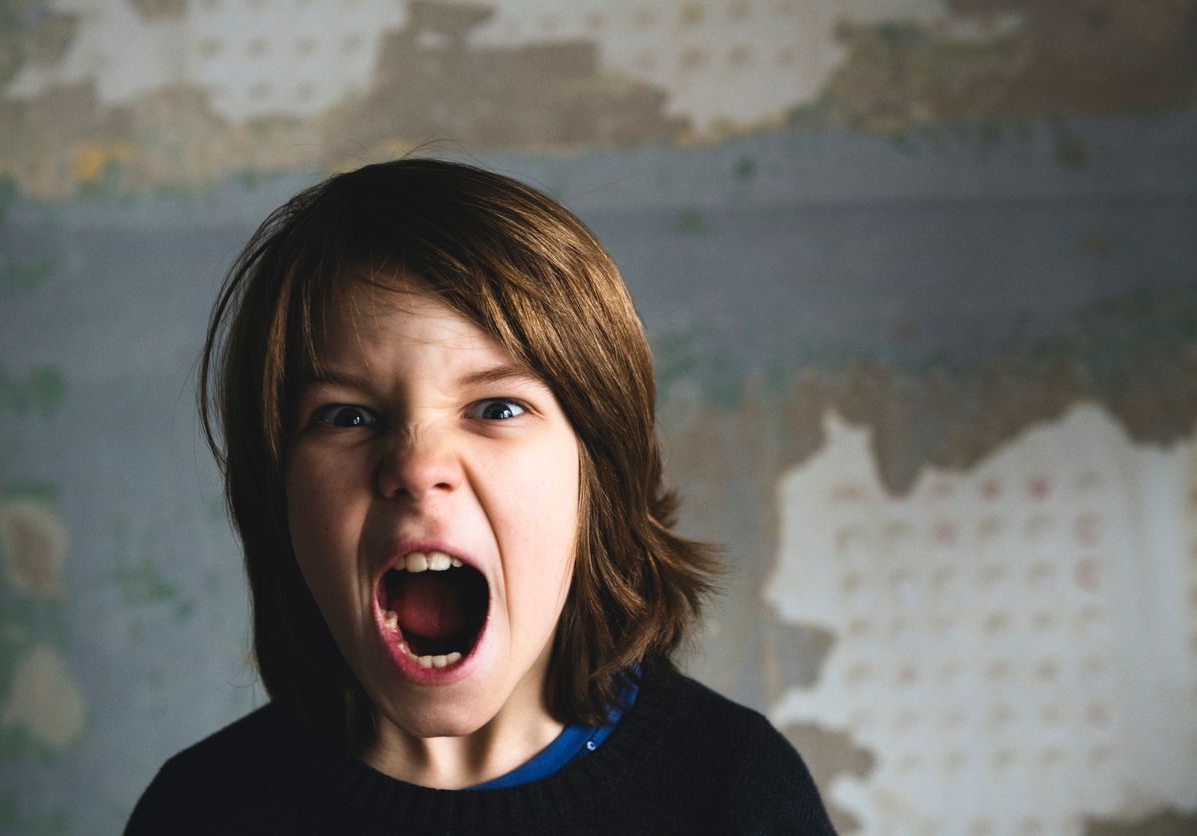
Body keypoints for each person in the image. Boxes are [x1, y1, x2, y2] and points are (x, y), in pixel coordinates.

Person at [126, 159, 835, 834]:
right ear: (278, 498)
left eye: (496, 408)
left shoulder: (735, 795)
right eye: (347, 416)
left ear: (600, 476)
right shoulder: (202, 812)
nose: (418, 464)